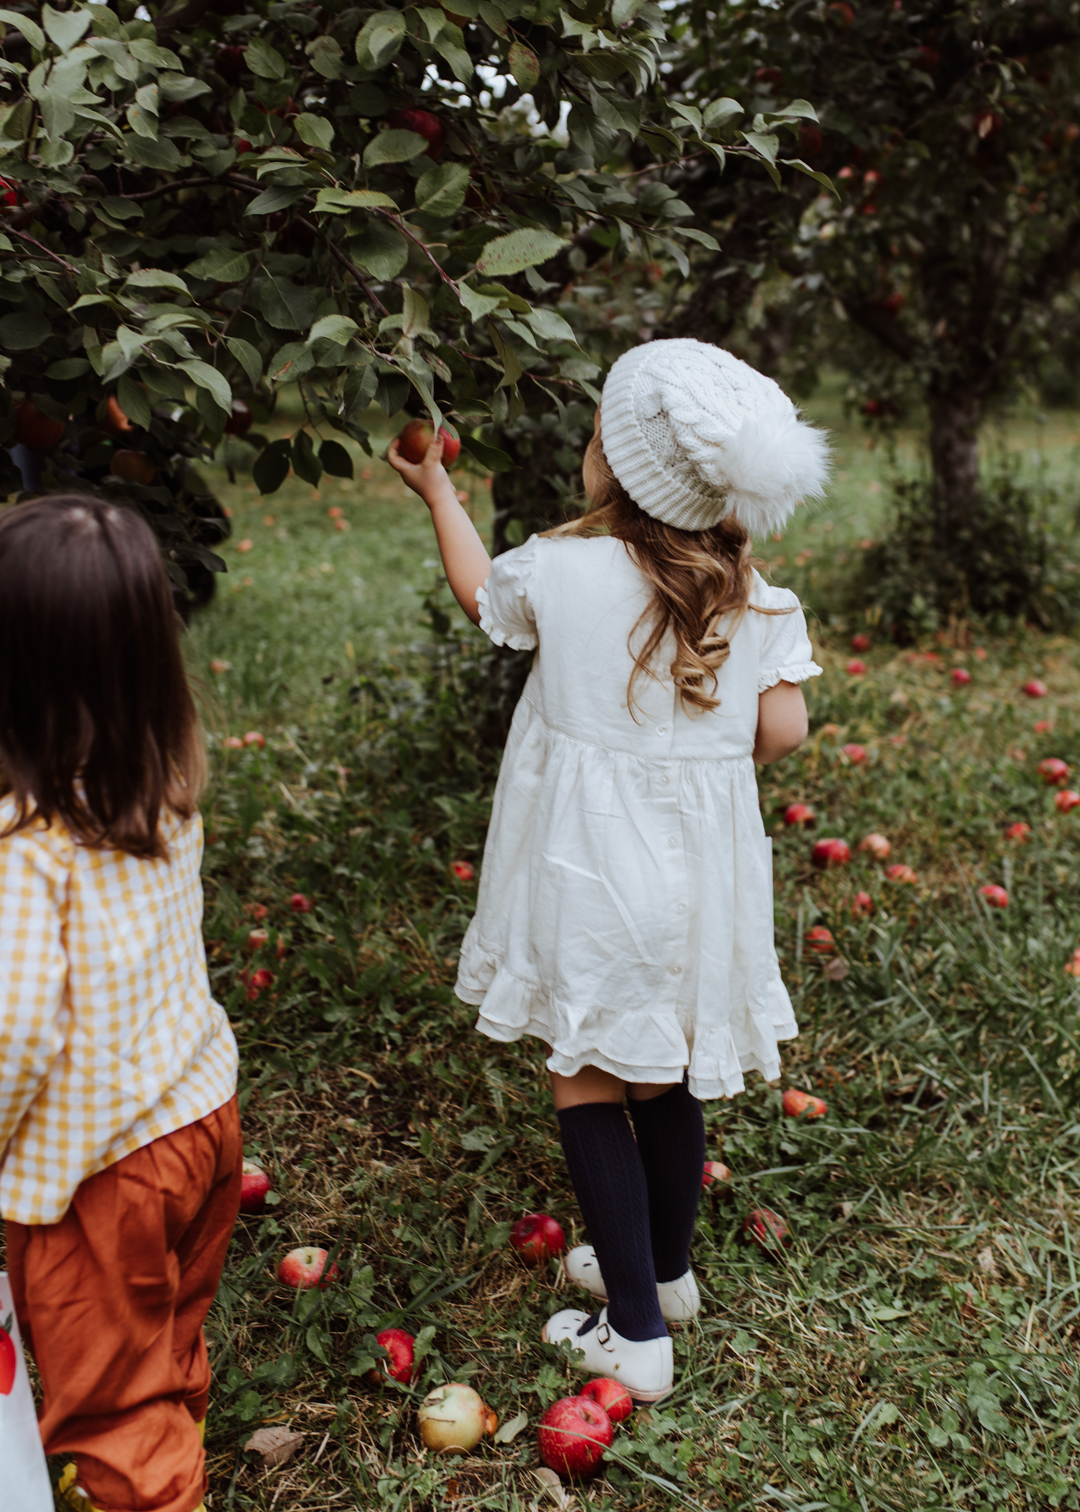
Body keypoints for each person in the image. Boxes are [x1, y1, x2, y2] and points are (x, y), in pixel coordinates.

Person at [389, 338, 829, 1402]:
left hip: (590, 875)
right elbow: (787, 731)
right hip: (698, 884)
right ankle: (665, 1274)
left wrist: (436, 487)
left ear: (617, 465)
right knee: (664, 1068)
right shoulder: (756, 595)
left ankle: (633, 1335)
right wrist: (700, 754)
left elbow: (479, 594)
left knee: (586, 1074)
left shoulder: (565, 568)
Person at [0, 496, 241, 1512]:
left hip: (96, 1174)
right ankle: (172, 1423)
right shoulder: (163, 782)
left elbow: (13, 1031)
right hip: (200, 1121)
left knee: (114, 1404)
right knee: (166, 1329)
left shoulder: (25, 846)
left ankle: (155, 1480)